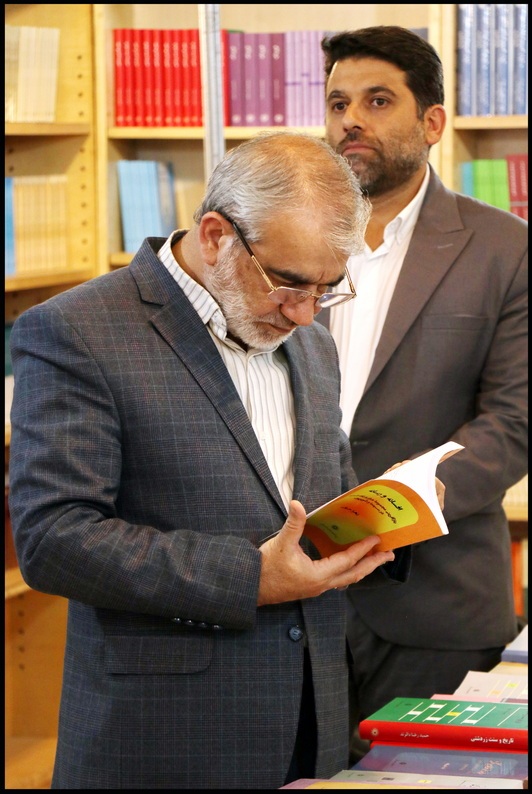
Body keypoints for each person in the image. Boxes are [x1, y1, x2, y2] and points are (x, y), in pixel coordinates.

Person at [8, 131, 414, 790]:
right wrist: (250, 578)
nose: (305, 314)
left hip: (312, 724)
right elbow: (53, 539)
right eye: (289, 284)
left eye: (326, 289)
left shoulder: (310, 344)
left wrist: (392, 512)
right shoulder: (77, 331)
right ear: (218, 235)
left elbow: (316, 503)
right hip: (165, 742)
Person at [320, 26, 528, 761]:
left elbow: (514, 421)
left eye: (378, 101)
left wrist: (397, 505)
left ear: (432, 122)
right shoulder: (283, 241)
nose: (351, 120)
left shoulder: (505, 248)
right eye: (338, 103)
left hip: (435, 601)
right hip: (287, 600)